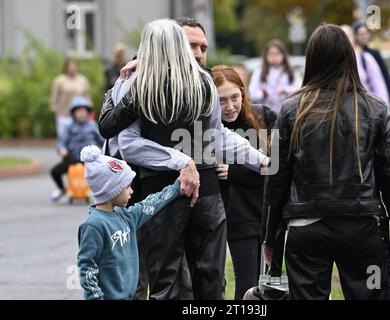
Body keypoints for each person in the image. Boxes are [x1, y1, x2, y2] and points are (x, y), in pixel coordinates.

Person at [98, 18, 269, 300]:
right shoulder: (146, 83)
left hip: (175, 192)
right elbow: (128, 144)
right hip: (179, 193)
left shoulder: (192, 81)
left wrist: (260, 160)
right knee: (189, 281)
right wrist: (184, 161)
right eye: (192, 45)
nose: (199, 53)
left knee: (187, 282)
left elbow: (214, 135)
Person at [263, 24, 390, 300]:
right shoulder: (375, 108)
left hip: (305, 227)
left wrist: (270, 238)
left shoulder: (290, 110)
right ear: (350, 57)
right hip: (363, 228)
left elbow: (276, 180)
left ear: (311, 59)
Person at [77, 145, 181, 300]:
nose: (132, 191)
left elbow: (150, 204)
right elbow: (87, 268)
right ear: (112, 189)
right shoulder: (93, 225)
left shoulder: (126, 217)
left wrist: (177, 187)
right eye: (127, 187)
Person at [212, 65, 277, 300]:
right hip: (239, 218)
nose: (229, 107)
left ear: (243, 93)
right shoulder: (211, 130)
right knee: (249, 286)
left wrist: (234, 172)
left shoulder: (264, 117)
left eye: (234, 98)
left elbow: (279, 165)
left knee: (274, 285)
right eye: (221, 101)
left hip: (270, 214)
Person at [50, 96, 104, 201]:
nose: (81, 114)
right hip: (72, 158)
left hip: (89, 159)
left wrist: (106, 150)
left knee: (102, 171)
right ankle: (62, 189)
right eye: (78, 111)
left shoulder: (92, 125)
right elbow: (61, 142)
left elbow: (102, 140)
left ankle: (100, 192)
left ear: (87, 112)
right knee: (55, 171)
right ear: (73, 113)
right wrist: (62, 149)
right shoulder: (69, 127)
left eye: (83, 111)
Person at [352, 21, 390, 115]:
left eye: (366, 33)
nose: (364, 37)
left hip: (376, 102)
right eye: (361, 34)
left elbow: (385, 76)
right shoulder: (352, 55)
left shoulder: (373, 54)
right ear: (355, 36)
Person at [248, 39, 302, 113]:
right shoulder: (259, 72)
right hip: (265, 113)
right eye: (271, 54)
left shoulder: (292, 72)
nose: (274, 57)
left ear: (283, 55)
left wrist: (286, 90)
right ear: (266, 55)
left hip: (287, 112)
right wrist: (263, 94)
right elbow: (252, 92)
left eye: (277, 54)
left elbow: (300, 90)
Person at [341, 25, 390, 106]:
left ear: (354, 38)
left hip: (367, 110)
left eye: (348, 36)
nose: (346, 39)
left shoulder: (365, 58)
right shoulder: (335, 61)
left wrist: (384, 111)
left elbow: (378, 86)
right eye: (343, 36)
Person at [50, 57, 91, 138]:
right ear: (66, 67)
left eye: (73, 66)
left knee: (78, 139)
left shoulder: (82, 80)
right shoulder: (59, 80)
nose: (71, 68)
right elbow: (54, 96)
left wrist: (89, 110)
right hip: (64, 115)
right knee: (64, 138)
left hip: (79, 116)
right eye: (69, 66)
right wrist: (54, 107)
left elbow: (87, 97)